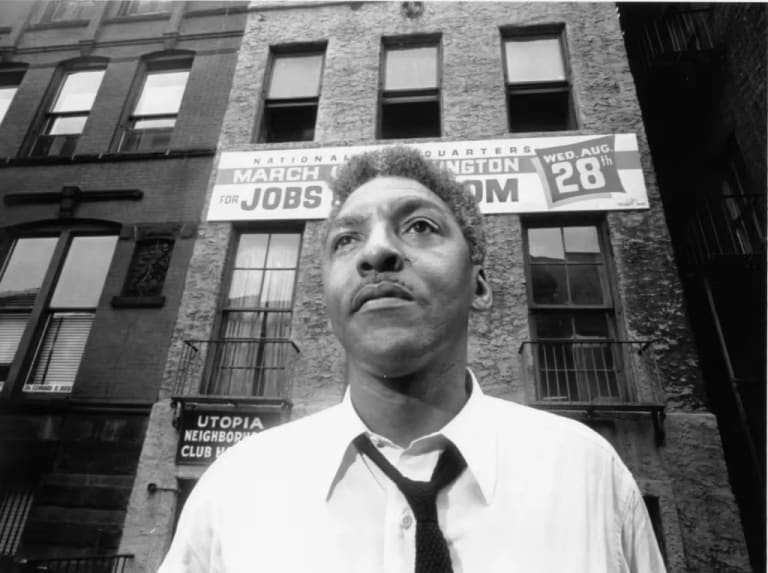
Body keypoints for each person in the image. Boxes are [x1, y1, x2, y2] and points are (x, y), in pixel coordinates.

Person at [159, 146, 666, 573]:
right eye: (346, 239)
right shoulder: (236, 486)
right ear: (328, 300)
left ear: (481, 285)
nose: (376, 252)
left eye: (420, 226)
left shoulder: (588, 473)